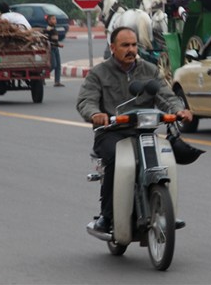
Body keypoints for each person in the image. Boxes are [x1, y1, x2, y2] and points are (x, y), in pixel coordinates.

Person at [76, 26, 193, 233]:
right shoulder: (99, 73)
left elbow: (166, 96)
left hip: (144, 131)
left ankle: (166, 210)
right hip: (111, 131)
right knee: (114, 160)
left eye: (133, 45)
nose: (131, 49)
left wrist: (179, 110)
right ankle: (107, 215)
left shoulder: (149, 70)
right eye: (125, 45)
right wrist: (96, 114)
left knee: (165, 158)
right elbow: (86, 100)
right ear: (113, 47)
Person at [44, 14, 64, 87]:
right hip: (51, 49)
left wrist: (58, 45)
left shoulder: (54, 28)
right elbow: (48, 40)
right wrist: (57, 45)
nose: (55, 20)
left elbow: (54, 39)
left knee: (58, 65)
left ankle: (57, 82)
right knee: (53, 65)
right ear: (49, 21)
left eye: (55, 19)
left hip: (56, 48)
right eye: (53, 19)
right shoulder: (48, 29)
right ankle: (42, 76)